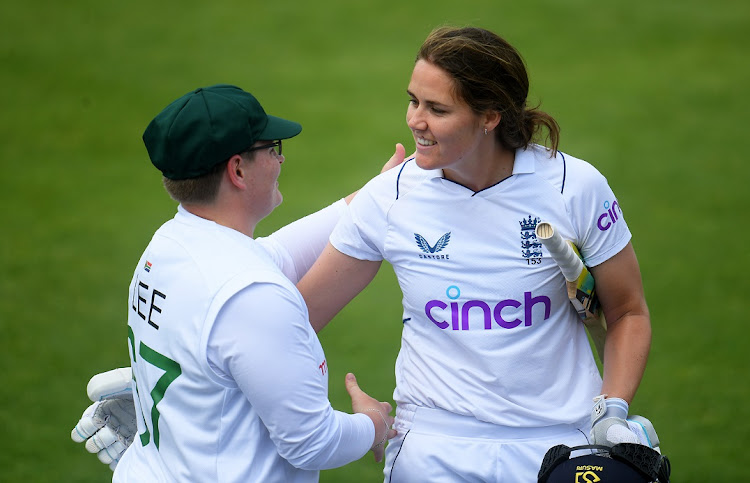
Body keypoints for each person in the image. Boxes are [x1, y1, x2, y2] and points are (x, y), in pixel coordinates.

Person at [296, 26, 653, 482]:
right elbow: (297, 321)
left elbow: (627, 312)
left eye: (437, 109)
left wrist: (614, 410)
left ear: (490, 117)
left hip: (560, 447)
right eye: (413, 101)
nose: (415, 120)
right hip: (431, 450)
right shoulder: (390, 195)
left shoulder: (574, 188)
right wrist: (353, 425)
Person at [72, 84, 400, 482]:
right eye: (273, 147)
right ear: (238, 169)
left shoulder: (170, 245)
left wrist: (379, 193)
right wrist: (374, 422)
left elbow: (277, 252)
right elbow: (312, 441)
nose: (280, 159)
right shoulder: (252, 295)